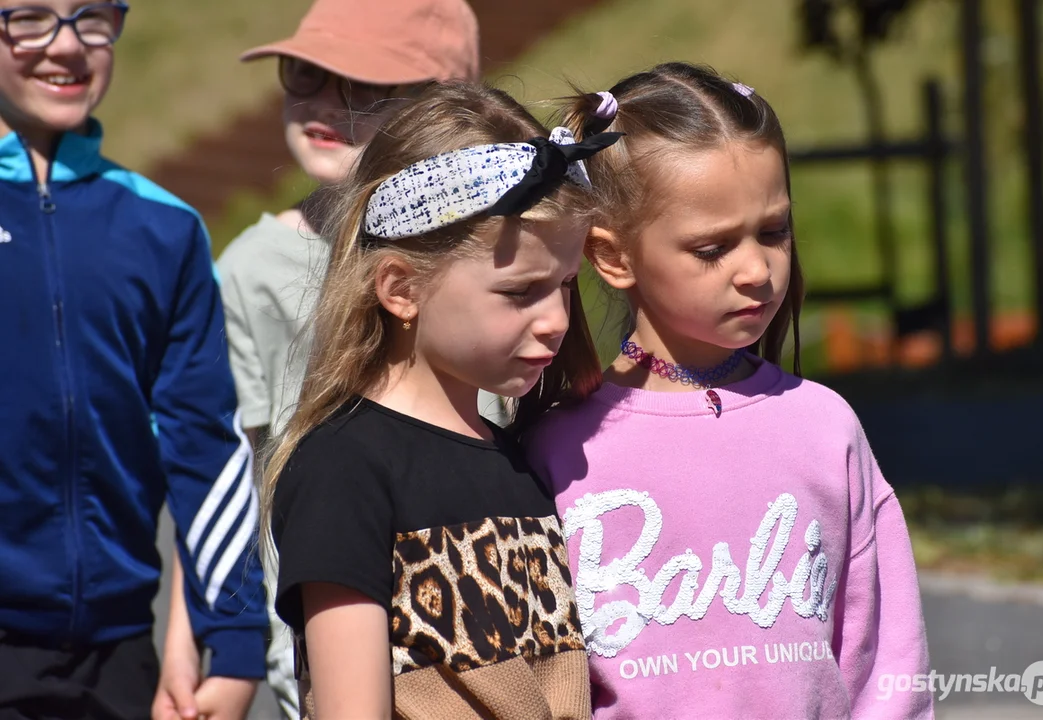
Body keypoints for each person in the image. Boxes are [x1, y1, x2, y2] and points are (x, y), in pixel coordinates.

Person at [522, 62, 933, 719]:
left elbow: (887, 659)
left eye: (773, 232)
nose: (755, 270)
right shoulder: (556, 449)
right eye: (711, 248)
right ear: (613, 257)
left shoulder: (824, 428)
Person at [265, 80, 621, 718]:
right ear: (400, 288)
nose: (557, 321)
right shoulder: (344, 469)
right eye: (519, 292)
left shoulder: (520, 457)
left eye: (566, 286)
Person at [207, 1, 482, 716]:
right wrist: (202, 639)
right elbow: (228, 478)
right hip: (320, 641)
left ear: (448, 106)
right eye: (305, 74)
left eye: (364, 87)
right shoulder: (256, 267)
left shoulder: (496, 251)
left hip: (480, 628)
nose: (324, 105)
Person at [0, 2, 267, 720]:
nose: (65, 45)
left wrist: (236, 641)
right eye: (26, 17)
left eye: (91, 17)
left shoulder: (166, 229)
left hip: (120, 657)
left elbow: (205, 446)